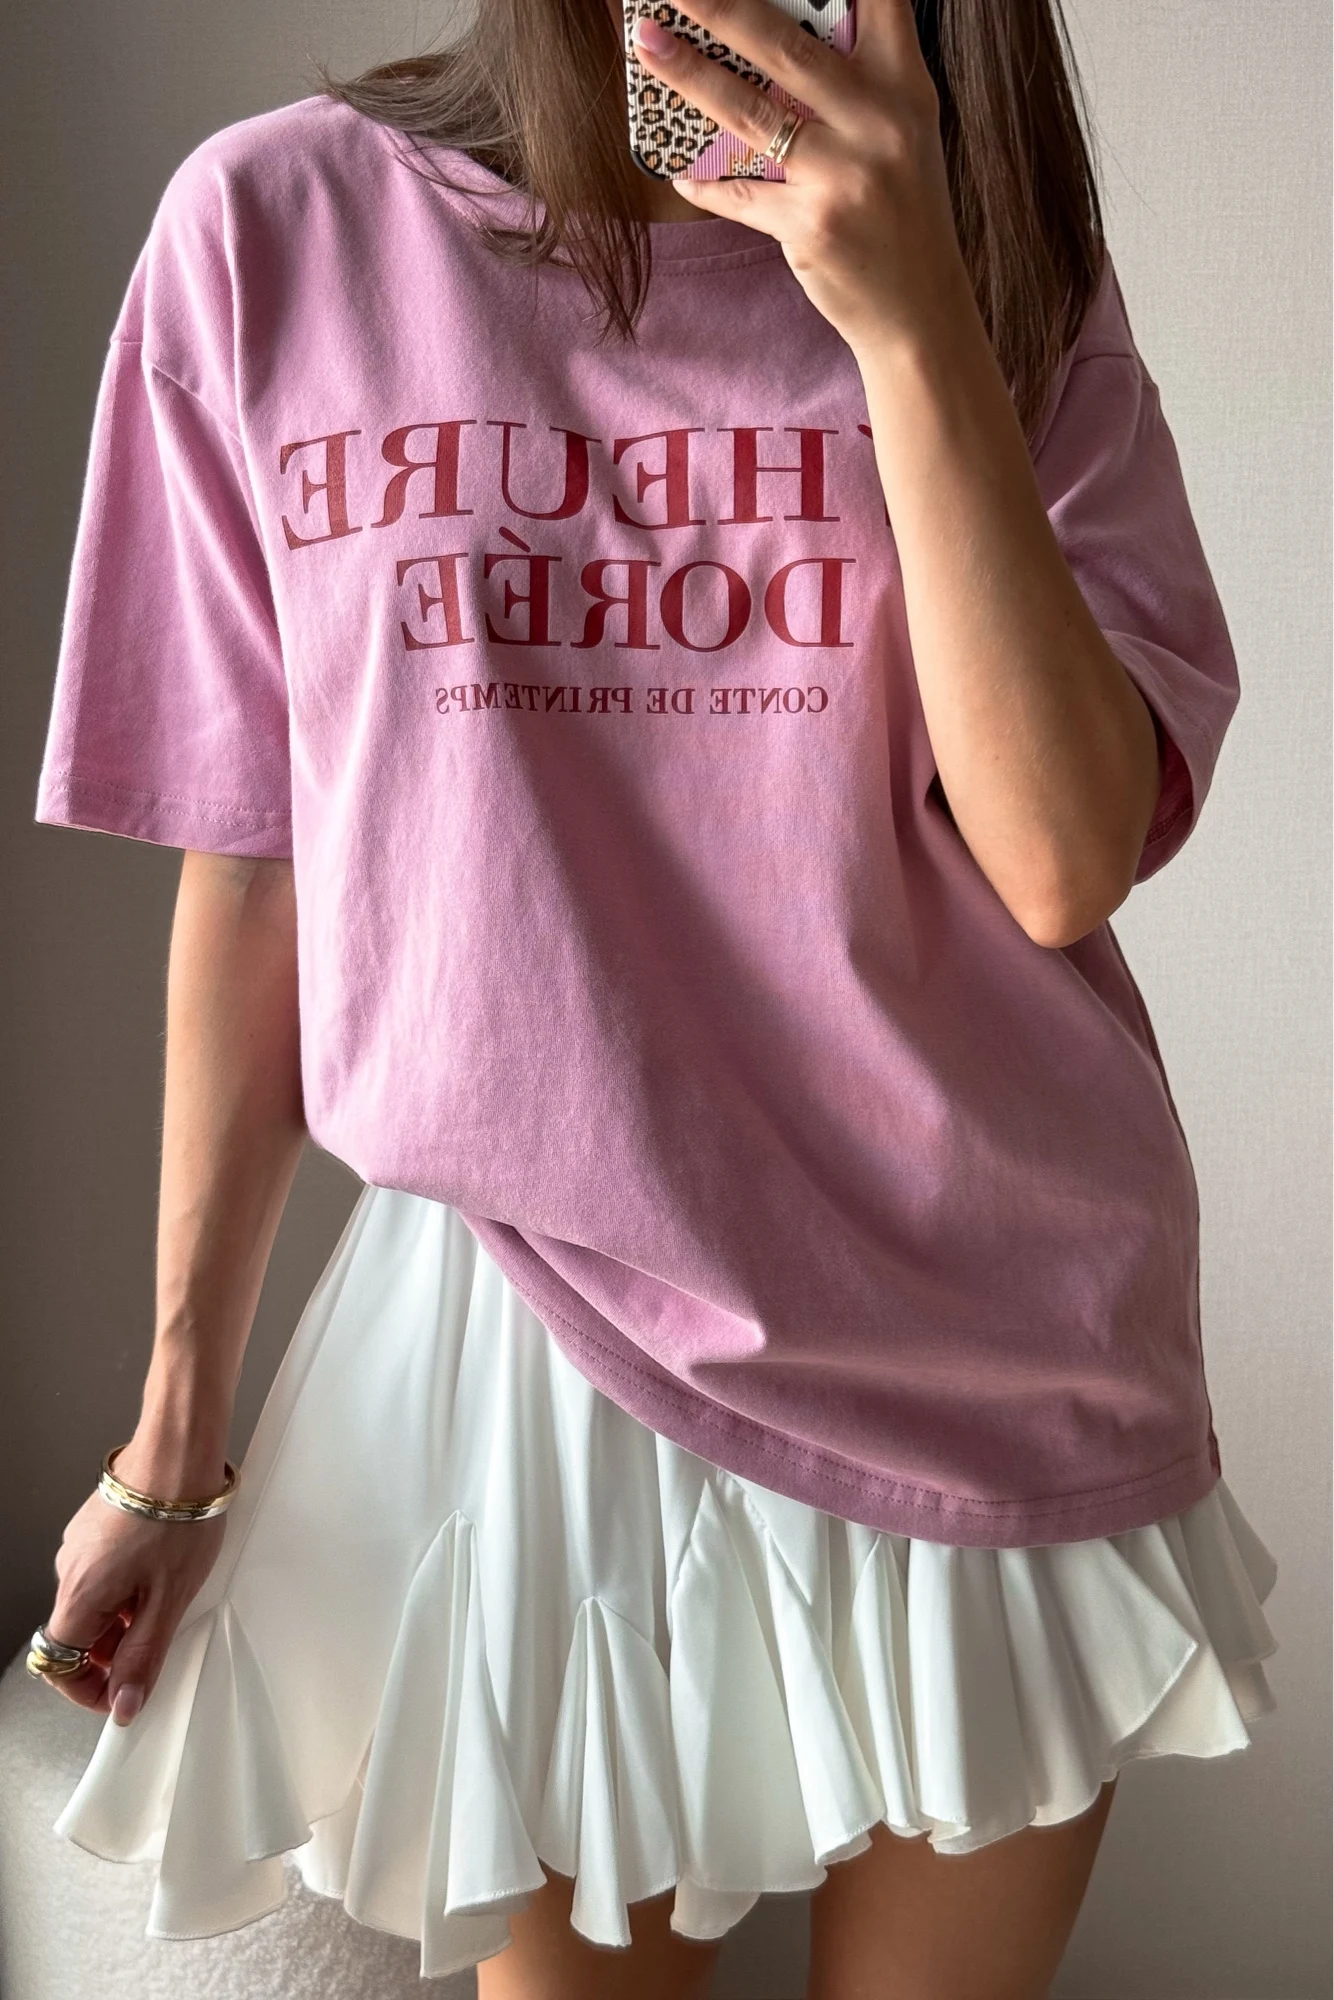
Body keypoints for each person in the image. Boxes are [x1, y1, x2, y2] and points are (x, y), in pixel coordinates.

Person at [26, 1, 1280, 1995]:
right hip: (537, 1336)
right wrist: (173, 1442)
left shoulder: (988, 253)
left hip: (994, 1330)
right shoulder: (279, 228)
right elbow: (258, 861)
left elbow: (1057, 855)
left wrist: (911, 318)